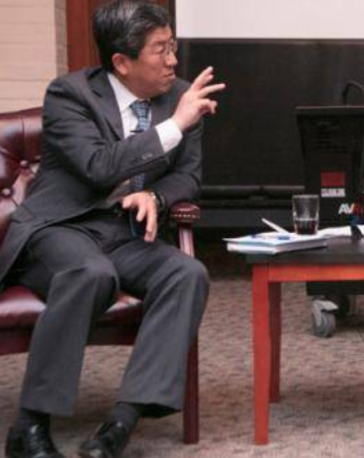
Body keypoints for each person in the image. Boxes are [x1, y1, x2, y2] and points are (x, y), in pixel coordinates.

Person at [0, 1, 225, 457]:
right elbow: (98, 167)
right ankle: (29, 427)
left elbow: (189, 177)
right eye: (160, 50)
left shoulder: (179, 92)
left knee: (187, 273)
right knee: (91, 273)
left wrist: (156, 197)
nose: (172, 61)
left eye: (172, 47)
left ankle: (121, 422)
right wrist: (175, 125)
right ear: (121, 62)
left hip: (124, 232)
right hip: (59, 228)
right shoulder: (70, 95)